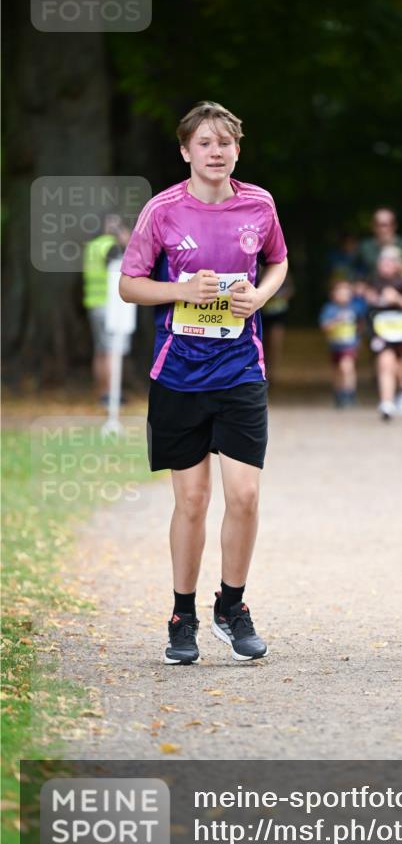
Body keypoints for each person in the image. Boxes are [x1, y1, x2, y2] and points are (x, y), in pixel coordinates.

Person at [119, 100, 288, 665]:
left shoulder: (259, 204)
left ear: (238, 149)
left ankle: (232, 607)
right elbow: (129, 285)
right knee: (192, 501)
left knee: (244, 495)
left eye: (226, 143)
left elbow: (278, 263)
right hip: (180, 373)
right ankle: (182, 615)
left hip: (241, 368)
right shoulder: (163, 210)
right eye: (205, 144)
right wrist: (180, 292)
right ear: (186, 151)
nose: (216, 153)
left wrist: (261, 296)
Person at [366, 245, 402, 420]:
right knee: (385, 361)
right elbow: (365, 297)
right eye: (383, 260)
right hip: (380, 330)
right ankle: (387, 403)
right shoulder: (373, 280)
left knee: (399, 366)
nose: (385, 264)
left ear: (397, 265)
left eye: (389, 261)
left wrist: (398, 299)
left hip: (399, 331)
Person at [83, 214, 132, 403]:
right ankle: (112, 395)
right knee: (114, 350)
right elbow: (128, 263)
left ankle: (102, 392)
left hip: (94, 304)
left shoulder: (92, 246)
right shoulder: (111, 247)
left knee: (101, 351)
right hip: (110, 306)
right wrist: (126, 241)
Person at [319, 278, 361, 408]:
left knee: (346, 367)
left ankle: (349, 392)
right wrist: (336, 321)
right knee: (337, 370)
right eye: (340, 292)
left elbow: (361, 322)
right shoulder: (330, 309)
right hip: (335, 345)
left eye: (346, 292)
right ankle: (339, 393)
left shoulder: (354, 308)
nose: (343, 295)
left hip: (350, 345)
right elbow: (324, 326)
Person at [357, 208, 402, 286]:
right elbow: (352, 268)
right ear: (373, 226)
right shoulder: (365, 247)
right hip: (371, 293)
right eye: (380, 225)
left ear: (395, 226)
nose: (384, 229)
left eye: (388, 224)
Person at [259, 267, 294, 383]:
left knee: (275, 343)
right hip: (261, 313)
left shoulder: (282, 269)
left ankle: (273, 373)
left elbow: (290, 290)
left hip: (278, 313)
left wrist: (274, 295)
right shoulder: (256, 268)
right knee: (262, 344)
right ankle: (264, 371)